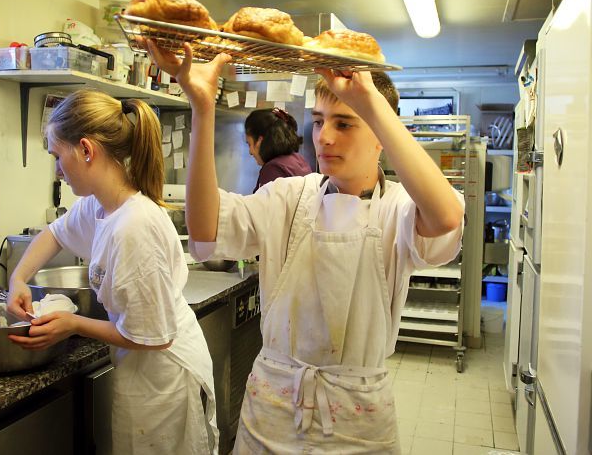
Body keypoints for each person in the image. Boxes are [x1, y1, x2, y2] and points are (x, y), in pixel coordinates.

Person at [144, 40, 465, 453]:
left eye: (345, 123)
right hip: (273, 411)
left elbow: (445, 218)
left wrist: (370, 100)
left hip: (357, 418)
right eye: (318, 121)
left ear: (381, 133)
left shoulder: (398, 208)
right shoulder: (290, 196)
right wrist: (202, 109)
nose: (324, 138)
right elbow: (205, 232)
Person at [6, 89, 217, 455]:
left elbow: (153, 336)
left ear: (86, 150)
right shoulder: (99, 206)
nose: (57, 169)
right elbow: (55, 234)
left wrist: (72, 324)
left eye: (58, 156)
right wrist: (18, 279)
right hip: (141, 365)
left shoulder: (133, 227)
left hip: (163, 373)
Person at [244, 107, 312, 192]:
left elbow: (266, 205)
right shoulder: (299, 159)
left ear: (259, 141)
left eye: (249, 144)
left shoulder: (273, 170)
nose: (250, 152)